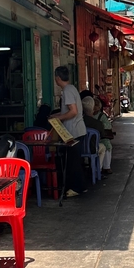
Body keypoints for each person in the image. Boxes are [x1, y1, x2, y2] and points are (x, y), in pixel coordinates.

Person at [54, 66, 86, 198]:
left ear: (57, 78)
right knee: (76, 160)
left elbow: (73, 111)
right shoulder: (71, 88)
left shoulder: (67, 91)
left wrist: (58, 118)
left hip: (74, 132)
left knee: (73, 161)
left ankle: (76, 188)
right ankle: (81, 186)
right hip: (78, 130)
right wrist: (59, 115)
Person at [80, 93, 107, 172]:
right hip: (92, 149)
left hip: (80, 148)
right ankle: (97, 170)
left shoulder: (79, 122)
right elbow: (102, 135)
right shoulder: (97, 123)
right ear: (93, 108)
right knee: (103, 147)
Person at [94, 96, 115, 176]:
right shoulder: (87, 116)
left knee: (107, 145)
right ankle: (101, 168)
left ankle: (106, 166)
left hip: (100, 138)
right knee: (105, 145)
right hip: (96, 140)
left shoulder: (101, 116)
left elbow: (108, 126)